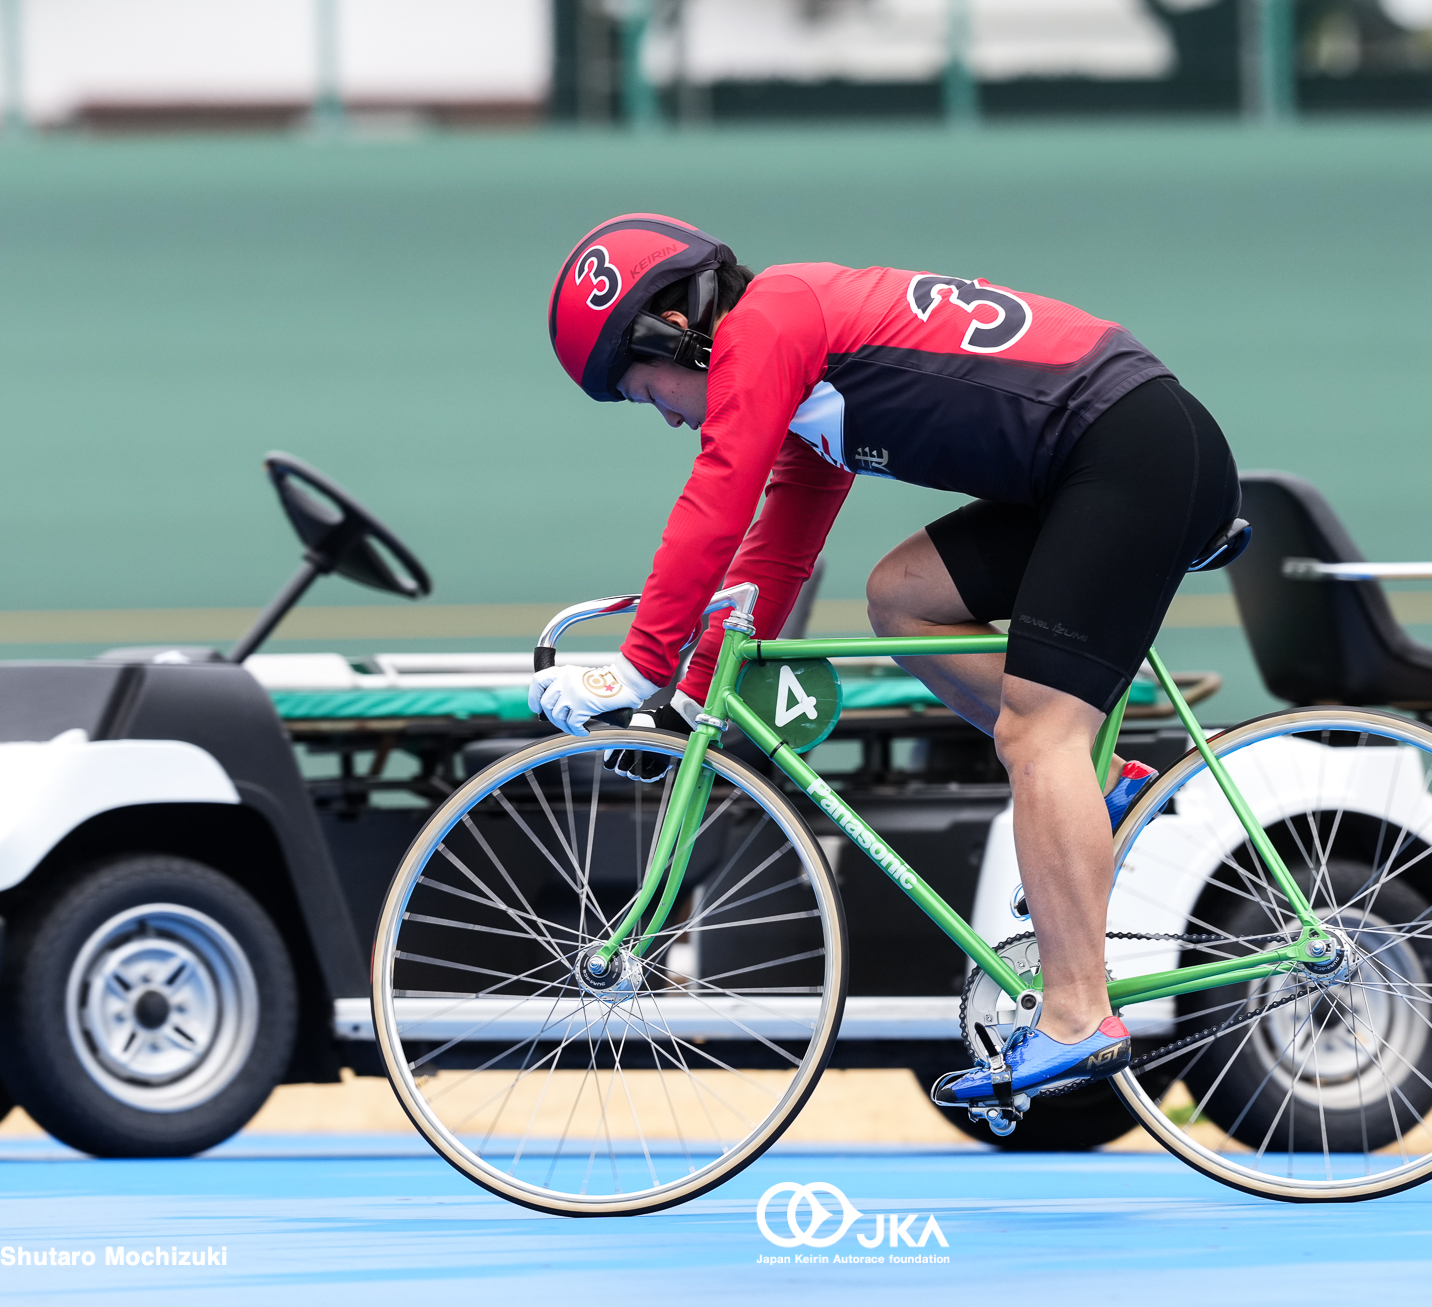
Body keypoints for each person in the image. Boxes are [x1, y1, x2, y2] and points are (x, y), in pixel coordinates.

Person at [531, 213, 1240, 1107]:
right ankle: (1098, 785)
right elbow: (771, 556)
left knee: (1037, 736)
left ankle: (1076, 1014)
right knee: (899, 596)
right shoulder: (795, 363)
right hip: (1111, 450)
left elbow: (715, 500)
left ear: (671, 330)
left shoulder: (771, 324)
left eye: (646, 392)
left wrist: (635, 668)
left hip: (1131, 453)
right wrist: (686, 695)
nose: (667, 416)